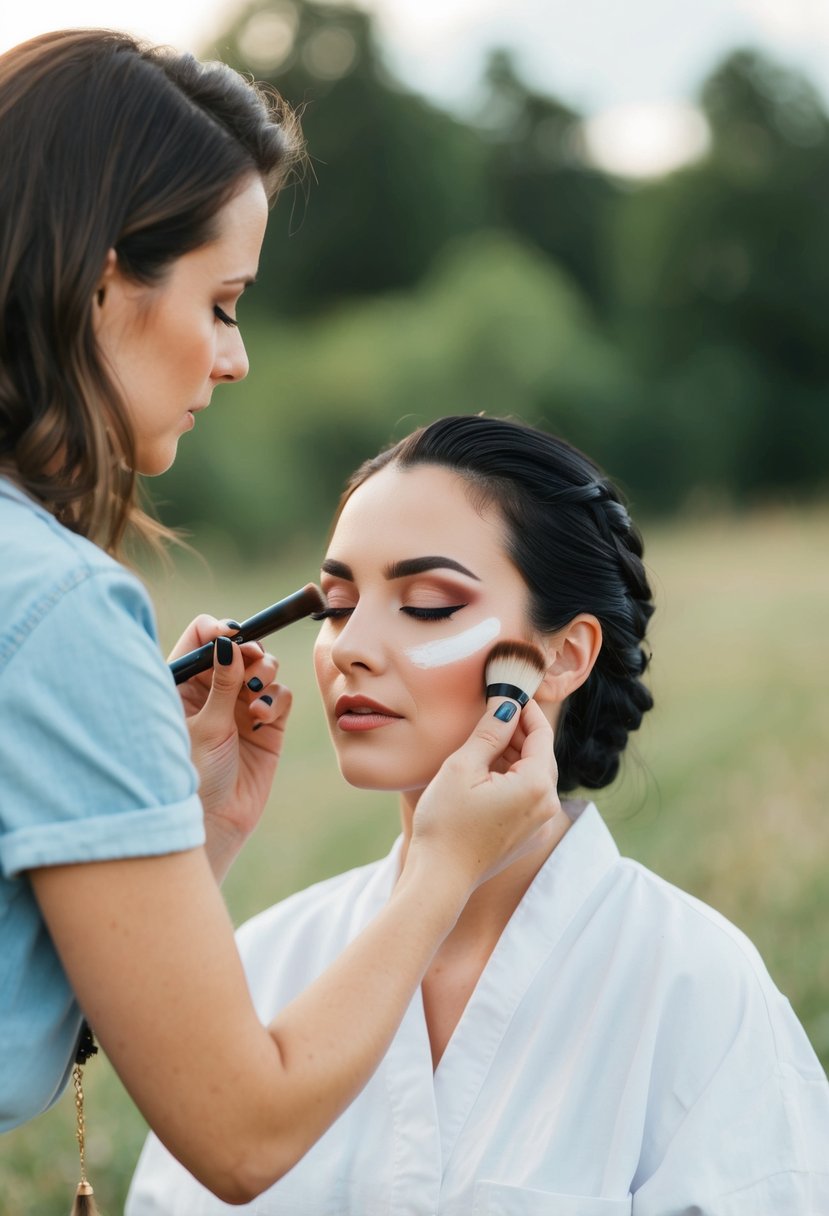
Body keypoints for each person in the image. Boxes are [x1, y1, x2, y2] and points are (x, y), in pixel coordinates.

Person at [0, 34, 561, 1203]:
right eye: (221, 302)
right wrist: (443, 865)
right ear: (101, 282)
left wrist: (174, 830)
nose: (236, 357)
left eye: (427, 599)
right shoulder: (56, 605)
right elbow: (242, 1134)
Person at [128, 414, 829, 1215]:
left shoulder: (693, 986)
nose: (350, 645)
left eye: (428, 605)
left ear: (563, 656)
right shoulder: (266, 961)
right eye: (336, 606)